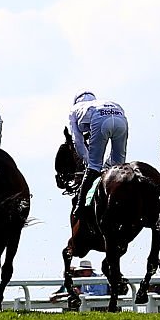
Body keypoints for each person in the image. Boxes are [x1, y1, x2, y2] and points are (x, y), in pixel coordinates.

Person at [67, 91, 128, 223]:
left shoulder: (74, 110)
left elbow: (78, 142)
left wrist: (90, 162)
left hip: (100, 118)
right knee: (119, 166)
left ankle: (79, 206)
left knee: (94, 166)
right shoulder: (105, 102)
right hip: (120, 118)